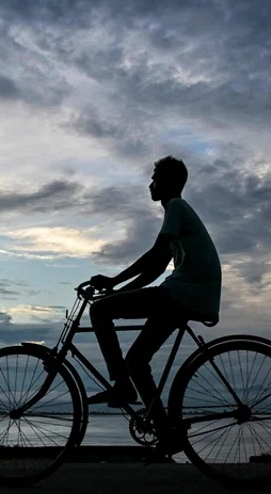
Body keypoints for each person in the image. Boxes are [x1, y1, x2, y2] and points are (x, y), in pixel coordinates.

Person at [86, 155, 222, 458]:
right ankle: (166, 433)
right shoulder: (177, 213)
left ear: (171, 182)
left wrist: (113, 283)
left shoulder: (176, 207)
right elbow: (158, 266)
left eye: (155, 177)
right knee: (135, 361)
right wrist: (117, 290)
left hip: (182, 294)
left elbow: (155, 255)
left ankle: (121, 387)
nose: (151, 183)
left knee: (98, 311)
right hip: (184, 295)